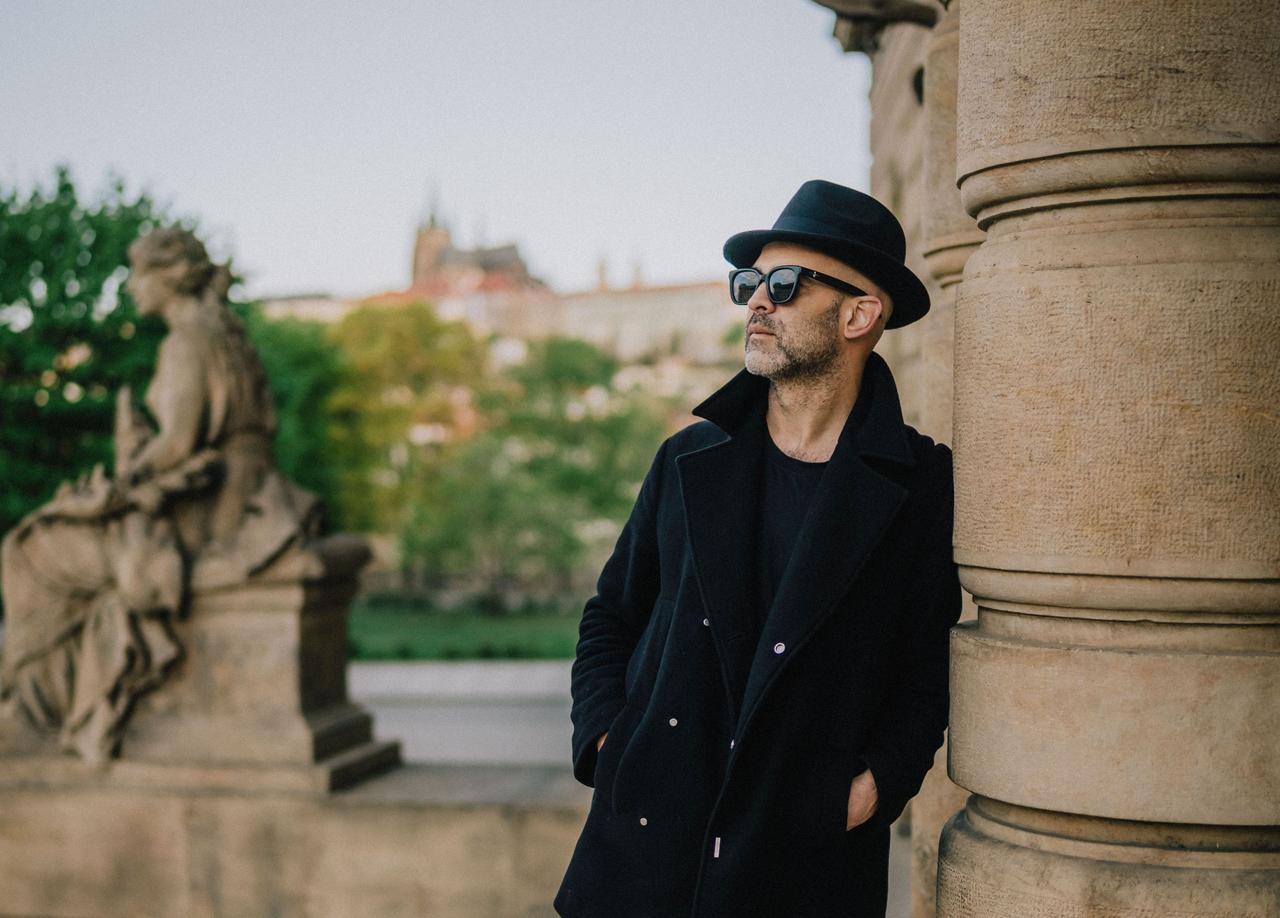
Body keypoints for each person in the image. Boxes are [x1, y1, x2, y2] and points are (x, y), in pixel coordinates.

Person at [554, 180, 962, 917]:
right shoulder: (688, 459)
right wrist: (608, 743)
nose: (758, 303)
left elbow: (926, 671)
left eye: (784, 284)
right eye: (750, 282)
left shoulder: (921, 485)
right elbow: (611, 617)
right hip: (642, 861)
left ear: (860, 314)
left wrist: (872, 789)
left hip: (802, 870)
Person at [0, 228, 321, 763]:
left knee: (29, 549)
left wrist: (115, 488)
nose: (129, 288)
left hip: (206, 514)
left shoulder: (186, 342)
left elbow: (177, 445)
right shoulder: (227, 337)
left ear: (168, 278)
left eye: (137, 275)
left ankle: (38, 714)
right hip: (244, 496)